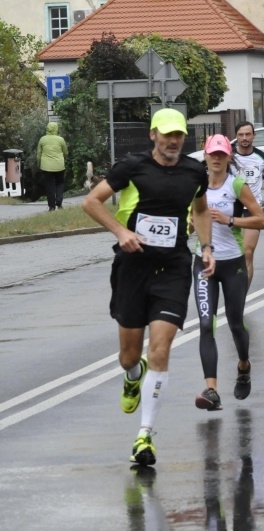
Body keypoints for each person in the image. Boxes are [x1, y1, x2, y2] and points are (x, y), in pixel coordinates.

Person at [82, 108, 216, 466]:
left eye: (179, 135)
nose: (173, 141)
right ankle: (133, 374)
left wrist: (206, 247)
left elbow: (201, 211)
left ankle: (145, 437)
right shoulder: (132, 166)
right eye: (167, 134)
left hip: (172, 267)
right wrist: (121, 232)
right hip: (133, 267)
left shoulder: (194, 170)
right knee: (129, 355)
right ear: (153, 134)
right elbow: (91, 202)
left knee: (161, 348)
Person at [193, 135, 264, 411]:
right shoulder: (195, 187)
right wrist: (191, 226)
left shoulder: (236, 185)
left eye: (221, 155)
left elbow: (261, 220)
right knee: (205, 324)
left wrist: (230, 220)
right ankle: (211, 390)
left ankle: (244, 365)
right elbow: (190, 222)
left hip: (233, 263)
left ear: (228, 157)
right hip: (203, 263)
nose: (216, 159)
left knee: (235, 322)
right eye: (212, 154)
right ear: (205, 156)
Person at [232, 121, 264, 288]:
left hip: (252, 209)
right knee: (232, 254)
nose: (244, 138)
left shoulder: (262, 157)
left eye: (247, 134)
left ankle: (241, 295)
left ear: (253, 136)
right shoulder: (228, 157)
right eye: (241, 135)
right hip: (230, 209)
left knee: (248, 253)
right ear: (236, 136)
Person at [37, 122, 68, 211]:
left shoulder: (42, 139)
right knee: (60, 183)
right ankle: (59, 202)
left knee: (49, 186)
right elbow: (65, 152)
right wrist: (63, 159)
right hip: (59, 165)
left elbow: (38, 154)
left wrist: (39, 164)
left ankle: (51, 206)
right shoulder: (61, 140)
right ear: (56, 129)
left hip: (46, 167)